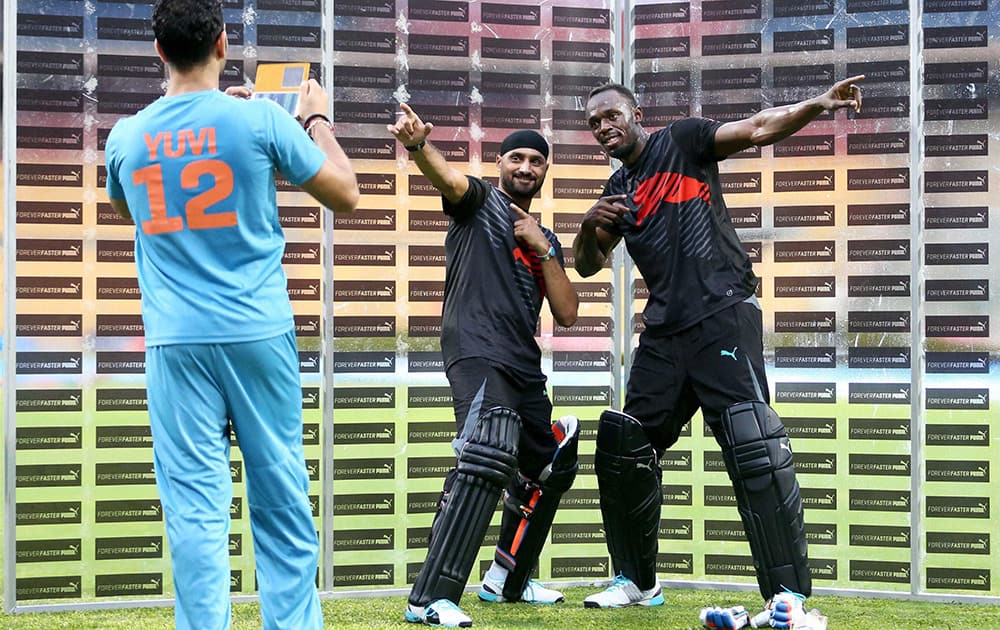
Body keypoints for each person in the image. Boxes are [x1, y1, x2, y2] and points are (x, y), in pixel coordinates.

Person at [574, 77, 863, 629]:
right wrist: (588, 224)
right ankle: (637, 582)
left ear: (637, 113)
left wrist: (819, 102)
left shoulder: (681, 141)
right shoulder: (616, 190)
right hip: (663, 333)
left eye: (612, 115)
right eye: (594, 123)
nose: (605, 127)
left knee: (753, 446)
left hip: (723, 314)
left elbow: (756, 129)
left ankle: (791, 602)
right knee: (623, 446)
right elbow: (587, 264)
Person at [104, 1, 358, 628]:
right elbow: (346, 193)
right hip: (257, 333)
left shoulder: (126, 136)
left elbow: (129, 206)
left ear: (158, 51)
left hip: (176, 341)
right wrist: (314, 118)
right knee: (280, 500)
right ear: (223, 43)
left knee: (193, 509)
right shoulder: (263, 120)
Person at [388, 103, 581, 627]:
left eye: (536, 161)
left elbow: (566, 313)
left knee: (550, 462)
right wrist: (416, 145)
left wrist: (543, 250)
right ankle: (429, 598)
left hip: (522, 361)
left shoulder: (547, 239)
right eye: (516, 158)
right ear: (500, 164)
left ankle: (507, 580)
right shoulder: (480, 203)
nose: (525, 168)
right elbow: (447, 178)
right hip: (476, 348)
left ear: (544, 171)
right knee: (487, 452)